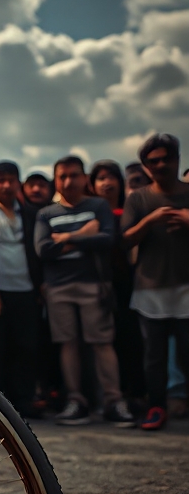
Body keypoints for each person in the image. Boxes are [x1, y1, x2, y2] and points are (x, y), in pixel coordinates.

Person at [34, 155, 134, 427]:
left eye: (74, 175)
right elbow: (43, 249)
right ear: (56, 180)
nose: (68, 181)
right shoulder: (46, 213)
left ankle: (114, 402)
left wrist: (65, 237)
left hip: (94, 285)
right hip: (58, 288)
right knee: (68, 344)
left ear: (84, 178)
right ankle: (76, 401)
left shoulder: (98, 206)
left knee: (102, 343)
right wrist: (85, 234)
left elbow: (106, 240)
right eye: (62, 176)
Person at [121, 134, 189, 430]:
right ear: (146, 166)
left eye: (166, 159)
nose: (161, 165)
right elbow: (122, 241)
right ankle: (156, 407)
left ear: (177, 159)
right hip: (150, 289)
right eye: (153, 161)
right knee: (154, 357)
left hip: (187, 287)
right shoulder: (139, 198)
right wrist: (149, 221)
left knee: (188, 353)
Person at [0, 161, 43, 418]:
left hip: (27, 288)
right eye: (1, 180)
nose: (6, 185)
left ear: (19, 184)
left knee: (27, 346)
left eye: (11, 180)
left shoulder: (31, 213)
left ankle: (24, 402)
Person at [89, 160, 144, 402]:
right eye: (101, 178)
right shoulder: (88, 214)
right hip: (97, 283)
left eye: (111, 177)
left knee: (131, 339)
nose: (107, 183)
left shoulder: (132, 213)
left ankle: (135, 393)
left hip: (129, 282)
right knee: (102, 342)